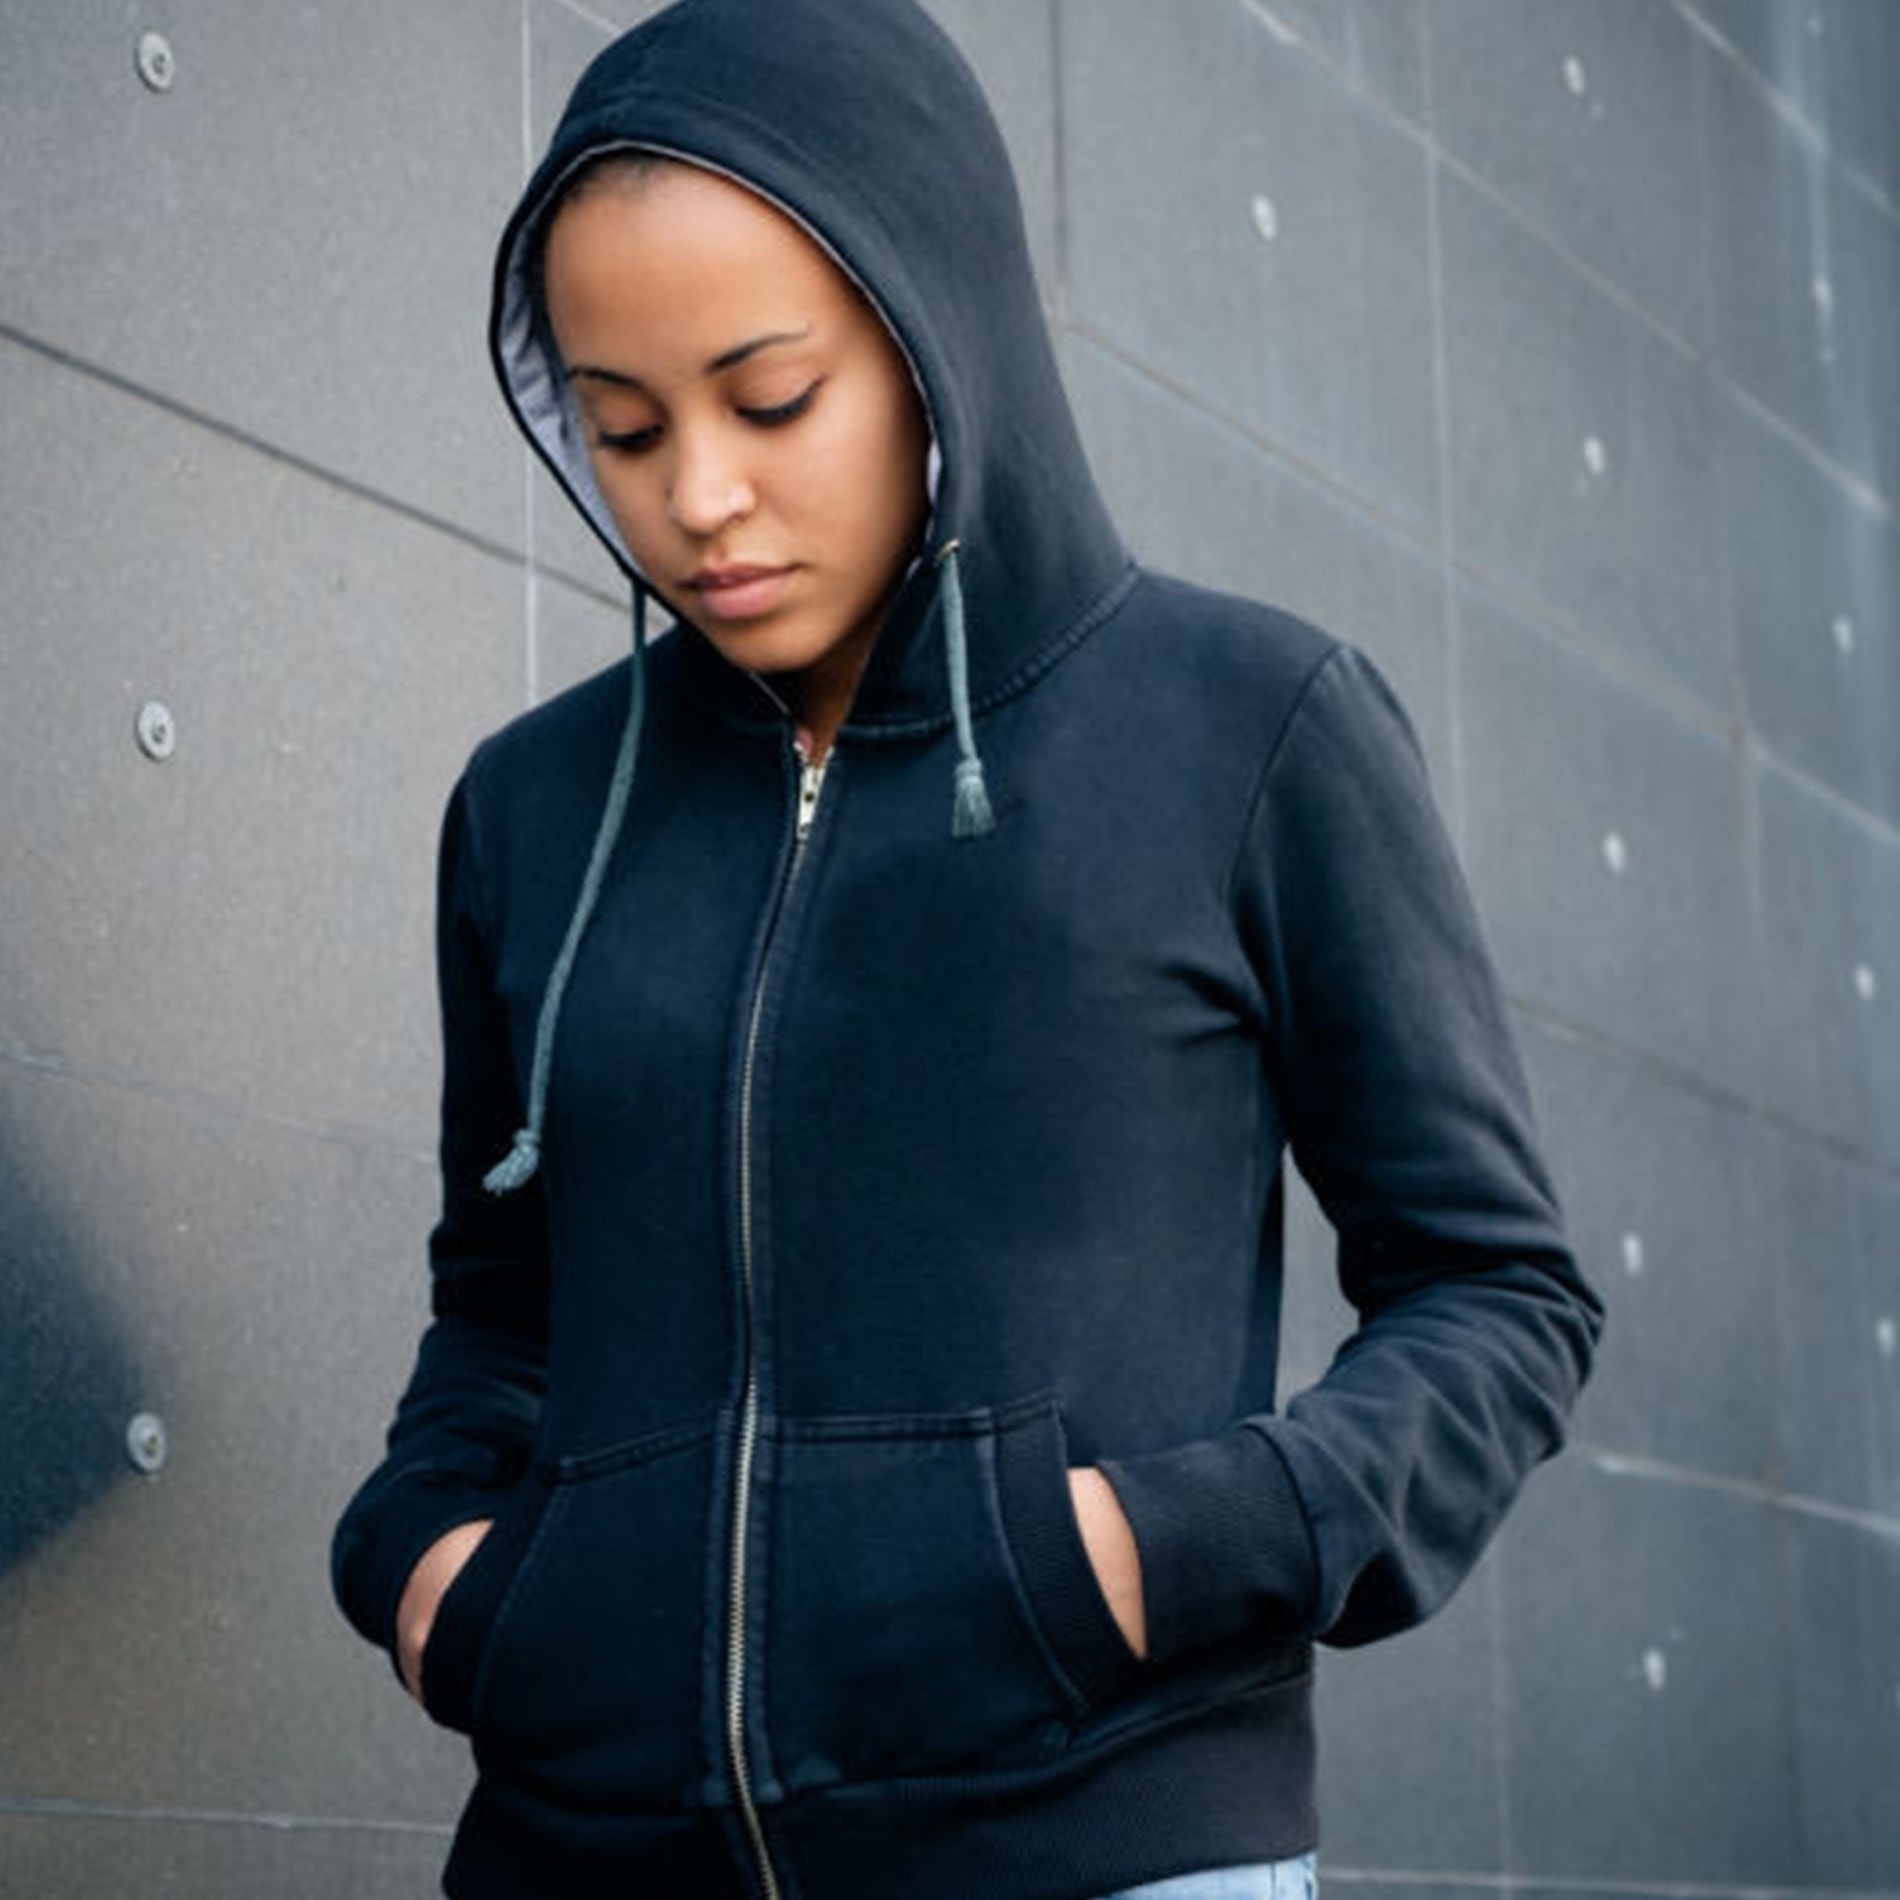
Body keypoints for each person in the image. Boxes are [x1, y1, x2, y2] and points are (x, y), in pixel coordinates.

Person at [330, 2, 1603, 1896]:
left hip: (1097, 1843)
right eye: (622, 425)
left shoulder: (1249, 729)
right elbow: (501, 1303)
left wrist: (1142, 1556)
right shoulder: (534, 811)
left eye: (771, 400)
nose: (697, 497)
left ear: (947, 338)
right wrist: (434, 1566)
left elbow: (1498, 1292)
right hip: (578, 1858)